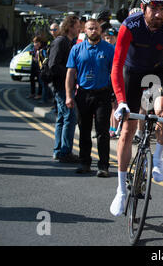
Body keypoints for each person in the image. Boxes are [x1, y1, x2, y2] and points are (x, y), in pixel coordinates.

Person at [109, 0, 163, 216]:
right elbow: (116, 65)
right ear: (143, 7)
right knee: (127, 130)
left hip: (158, 71)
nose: (158, 14)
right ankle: (121, 191)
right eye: (154, 8)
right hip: (132, 73)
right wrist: (122, 101)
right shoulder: (130, 26)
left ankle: (158, 158)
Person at [66, 19, 115, 177]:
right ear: (85, 31)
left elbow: (115, 73)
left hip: (103, 94)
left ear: (100, 30)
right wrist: (69, 96)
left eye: (96, 28)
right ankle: (84, 162)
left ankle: (103, 166)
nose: (94, 31)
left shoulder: (109, 49)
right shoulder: (76, 49)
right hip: (83, 94)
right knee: (84, 130)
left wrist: (116, 94)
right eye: (90, 28)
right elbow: (71, 74)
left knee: (102, 131)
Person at [48, 15, 80, 163]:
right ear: (70, 26)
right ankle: (65, 151)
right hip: (61, 86)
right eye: (77, 26)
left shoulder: (68, 42)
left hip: (64, 86)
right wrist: (70, 73)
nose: (79, 28)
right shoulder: (60, 42)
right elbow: (53, 65)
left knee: (62, 118)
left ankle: (59, 150)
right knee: (70, 117)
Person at [102, 27, 120, 138]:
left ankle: (115, 128)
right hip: (108, 81)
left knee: (116, 106)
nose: (109, 40)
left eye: (111, 38)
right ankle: (112, 128)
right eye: (107, 38)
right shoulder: (106, 49)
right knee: (112, 106)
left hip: (116, 80)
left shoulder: (117, 49)